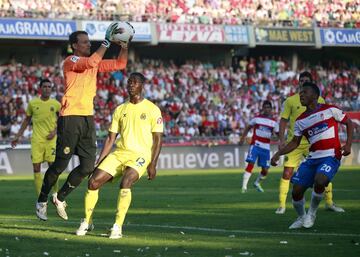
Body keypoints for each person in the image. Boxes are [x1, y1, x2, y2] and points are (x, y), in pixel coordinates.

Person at [36, 24, 129, 221]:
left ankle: (59, 198)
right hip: (70, 117)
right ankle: (42, 199)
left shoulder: (92, 63)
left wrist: (124, 45)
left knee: (88, 167)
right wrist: (106, 41)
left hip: (87, 118)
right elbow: (92, 61)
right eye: (85, 42)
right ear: (75, 46)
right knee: (60, 165)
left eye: (89, 42)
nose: (88, 45)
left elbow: (120, 64)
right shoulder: (71, 61)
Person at [75, 72, 163, 239]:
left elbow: (158, 139)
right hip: (120, 153)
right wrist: (99, 162)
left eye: (135, 82)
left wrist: (153, 164)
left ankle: (117, 226)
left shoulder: (152, 109)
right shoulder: (120, 109)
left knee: (126, 182)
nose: (130, 84)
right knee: (93, 182)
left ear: (141, 86)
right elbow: (110, 138)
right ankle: (87, 221)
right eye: (129, 82)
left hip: (140, 154)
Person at [271, 82, 353, 229]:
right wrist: (278, 153)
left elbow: (349, 123)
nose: (301, 95)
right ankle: (302, 217)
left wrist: (348, 144)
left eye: (305, 92)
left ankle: (312, 213)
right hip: (312, 158)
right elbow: (294, 143)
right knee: (296, 191)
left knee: (320, 180)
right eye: (300, 93)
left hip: (331, 156)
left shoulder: (330, 110)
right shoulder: (300, 121)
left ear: (315, 96)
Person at [11, 79, 61, 196]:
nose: (47, 88)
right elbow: (26, 120)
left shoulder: (56, 104)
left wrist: (55, 131)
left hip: (51, 141)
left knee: (53, 168)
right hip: (37, 140)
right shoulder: (33, 103)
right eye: (45, 86)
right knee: (36, 168)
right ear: (40, 88)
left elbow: (63, 120)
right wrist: (18, 136)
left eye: (49, 86)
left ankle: (56, 194)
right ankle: (40, 197)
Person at [239, 100, 279, 193]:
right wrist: (242, 138)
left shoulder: (274, 122)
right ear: (263, 109)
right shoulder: (257, 119)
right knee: (251, 164)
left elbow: (278, 135)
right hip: (255, 145)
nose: (267, 109)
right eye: (265, 107)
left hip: (266, 148)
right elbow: (248, 127)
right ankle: (244, 187)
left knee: (265, 170)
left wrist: (277, 139)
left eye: (269, 107)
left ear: (271, 109)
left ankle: (257, 183)